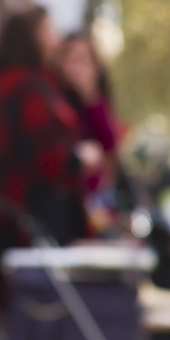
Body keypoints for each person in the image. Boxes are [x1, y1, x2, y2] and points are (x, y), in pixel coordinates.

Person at [0, 6, 101, 305]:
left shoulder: (29, 83)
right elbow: (46, 157)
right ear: (32, 36)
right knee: (36, 309)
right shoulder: (27, 87)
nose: (57, 38)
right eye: (50, 30)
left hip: (24, 215)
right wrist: (80, 157)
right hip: (30, 220)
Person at [55, 31, 124, 232]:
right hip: (63, 207)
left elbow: (109, 146)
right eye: (71, 58)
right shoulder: (53, 100)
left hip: (92, 209)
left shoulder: (96, 104)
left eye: (83, 60)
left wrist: (89, 95)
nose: (76, 67)